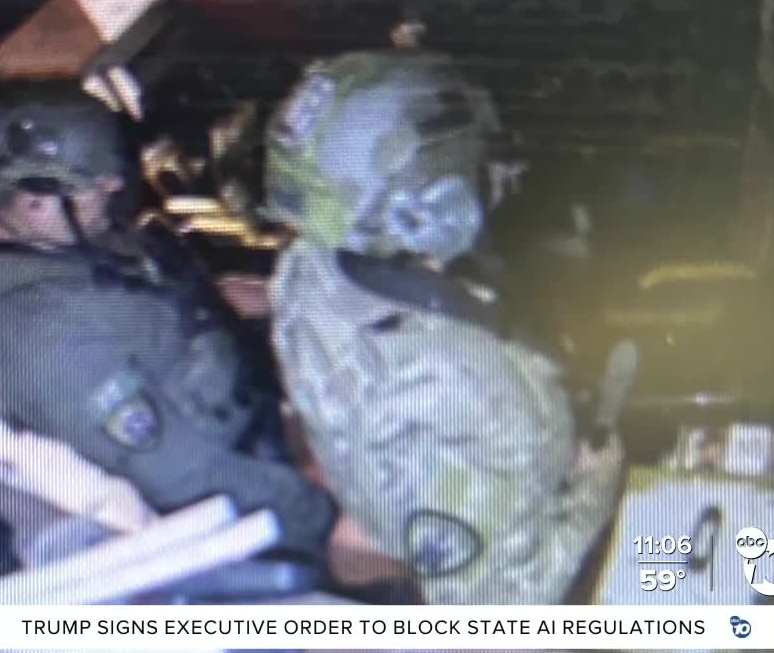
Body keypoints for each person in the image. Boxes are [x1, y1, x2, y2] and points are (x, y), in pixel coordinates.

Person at [258, 50, 629, 603]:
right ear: (429, 209)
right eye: (477, 170)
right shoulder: (475, 395)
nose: (497, 179)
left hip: (393, 495)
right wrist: (597, 484)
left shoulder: (305, 271)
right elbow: (495, 604)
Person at [0, 78, 335, 556]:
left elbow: (146, 310)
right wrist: (326, 520)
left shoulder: (54, 244)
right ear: (29, 197)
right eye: (92, 182)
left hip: (280, 437)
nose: (114, 185)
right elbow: (189, 478)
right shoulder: (35, 336)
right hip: (274, 508)